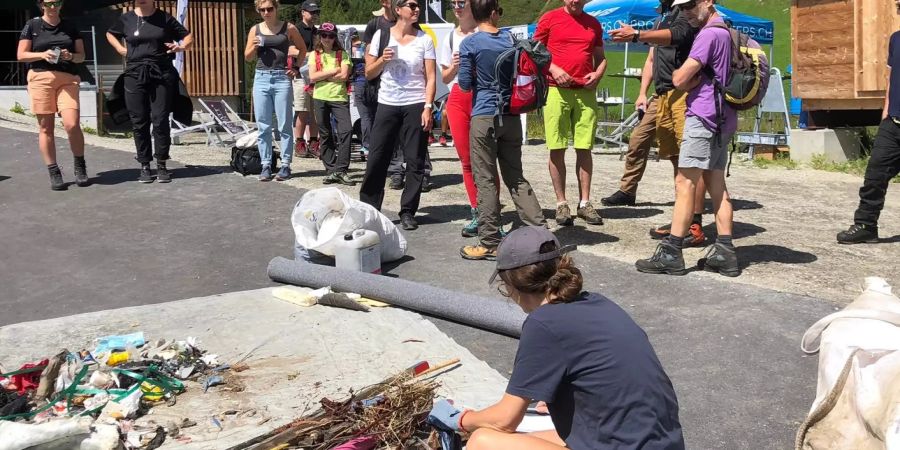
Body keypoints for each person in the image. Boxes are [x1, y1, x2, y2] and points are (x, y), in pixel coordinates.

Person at [429, 226, 685, 450]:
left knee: (483, 441)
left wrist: (461, 419)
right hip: (663, 442)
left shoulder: (543, 324)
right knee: (551, 432)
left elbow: (504, 420)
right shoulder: (598, 302)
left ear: (509, 286)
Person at [636, 0, 739, 276]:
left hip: (703, 115)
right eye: (683, 7)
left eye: (691, 4)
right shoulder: (728, 31)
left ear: (708, 1)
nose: (687, 11)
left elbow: (680, 79)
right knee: (717, 183)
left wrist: (683, 77)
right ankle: (726, 252)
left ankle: (672, 251)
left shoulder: (707, 35)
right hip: (724, 118)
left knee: (685, 182)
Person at [604, 0, 707, 246]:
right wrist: (642, 92)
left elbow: (679, 35)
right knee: (675, 157)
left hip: (684, 92)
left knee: (690, 158)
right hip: (662, 94)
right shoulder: (662, 15)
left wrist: (637, 34)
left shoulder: (686, 9)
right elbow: (652, 58)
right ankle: (681, 217)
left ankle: (695, 223)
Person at [458, 0, 546, 260]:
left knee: (484, 179)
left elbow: (463, 84)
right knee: (515, 176)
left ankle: (489, 241)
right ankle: (540, 231)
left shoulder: (470, 44)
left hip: (484, 116)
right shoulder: (511, 40)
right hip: (511, 116)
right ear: (495, 13)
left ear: (475, 14)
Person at [358, 0, 436, 231]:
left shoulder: (425, 39)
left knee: (415, 160)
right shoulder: (381, 36)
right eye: (411, 5)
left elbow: (431, 77)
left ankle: (408, 211)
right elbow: (369, 73)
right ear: (398, 9)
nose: (416, 8)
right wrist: (382, 59)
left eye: (417, 5)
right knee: (377, 158)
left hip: (415, 103)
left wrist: (428, 106)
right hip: (387, 103)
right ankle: (370, 209)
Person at [534, 0, 606, 226]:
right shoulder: (550, 18)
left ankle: (584, 203)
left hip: (585, 91)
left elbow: (601, 57)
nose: (574, 0)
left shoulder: (593, 23)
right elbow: (534, 50)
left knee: (584, 147)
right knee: (557, 146)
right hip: (556, 90)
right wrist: (553, 68)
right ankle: (561, 203)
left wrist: (597, 74)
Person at [106, 0, 193, 183]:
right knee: (139, 120)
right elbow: (110, 34)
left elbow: (187, 36)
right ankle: (145, 165)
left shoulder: (165, 18)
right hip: (134, 73)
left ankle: (161, 163)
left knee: (160, 118)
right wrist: (121, 49)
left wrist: (182, 47)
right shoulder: (126, 19)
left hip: (161, 73)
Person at [837, 13, 900, 244]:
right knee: (874, 177)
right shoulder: (896, 39)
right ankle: (866, 226)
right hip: (893, 123)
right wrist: (885, 110)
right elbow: (892, 78)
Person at [17, 0, 89, 191]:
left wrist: (70, 56)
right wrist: (43, 55)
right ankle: (54, 170)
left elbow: (82, 56)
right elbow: (21, 55)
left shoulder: (70, 26)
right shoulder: (32, 25)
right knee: (45, 127)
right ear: (41, 5)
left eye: (56, 3)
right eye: (48, 3)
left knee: (72, 123)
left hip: (67, 77)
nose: (52, 7)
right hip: (41, 78)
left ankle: (80, 165)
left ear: (61, 5)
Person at [243, 0, 307, 182]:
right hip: (261, 77)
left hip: (281, 77)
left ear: (276, 8)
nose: (266, 12)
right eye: (262, 10)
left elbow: (302, 49)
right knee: (263, 125)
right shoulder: (255, 29)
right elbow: (247, 57)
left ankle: (286, 164)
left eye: (269, 8)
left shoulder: (289, 28)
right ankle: (266, 164)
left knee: (284, 123)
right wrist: (254, 47)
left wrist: (296, 68)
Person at [438, 0, 482, 237]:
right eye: (453, 3)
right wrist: (455, 66)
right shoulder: (450, 37)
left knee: (485, 159)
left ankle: (490, 212)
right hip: (458, 97)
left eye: (461, 2)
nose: (456, 6)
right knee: (466, 160)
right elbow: (444, 78)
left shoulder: (483, 30)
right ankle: (476, 211)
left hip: (481, 95)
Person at [309, 22, 355, 186]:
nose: (327, 39)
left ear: (335, 37)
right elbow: (312, 77)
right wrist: (333, 71)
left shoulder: (342, 54)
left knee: (346, 131)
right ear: (319, 37)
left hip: (338, 97)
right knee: (325, 132)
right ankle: (331, 169)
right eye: (324, 35)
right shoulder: (314, 54)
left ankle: (341, 169)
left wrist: (324, 75)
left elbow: (344, 76)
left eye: (330, 36)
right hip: (320, 96)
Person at [292, 0, 320, 159]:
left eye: (316, 12)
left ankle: (314, 142)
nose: (314, 15)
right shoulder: (295, 30)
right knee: (302, 110)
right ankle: (300, 142)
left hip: (315, 75)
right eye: (311, 12)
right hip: (301, 76)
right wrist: (309, 55)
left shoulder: (317, 32)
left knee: (316, 111)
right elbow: (290, 50)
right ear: (303, 12)